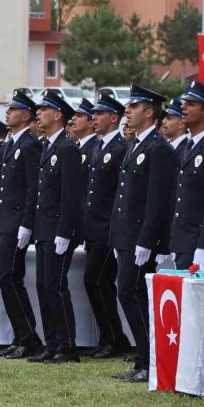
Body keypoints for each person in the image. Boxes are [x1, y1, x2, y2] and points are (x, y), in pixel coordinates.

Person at [110, 85, 176, 383]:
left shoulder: (158, 148)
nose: (127, 110)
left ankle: (149, 360)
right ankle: (143, 359)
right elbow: (123, 196)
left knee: (130, 291)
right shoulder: (136, 145)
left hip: (141, 239)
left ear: (149, 112)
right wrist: (116, 237)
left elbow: (158, 200)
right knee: (127, 291)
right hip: (126, 236)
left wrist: (148, 240)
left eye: (133, 107)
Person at [25, 89, 81, 364]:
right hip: (44, 228)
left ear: (58, 114)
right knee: (43, 287)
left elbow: (71, 195)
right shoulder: (49, 146)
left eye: (44, 109)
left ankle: (67, 346)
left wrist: (65, 232)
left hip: (58, 230)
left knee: (56, 287)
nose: (38, 113)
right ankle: (52, 343)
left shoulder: (68, 148)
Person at [0, 90, 43, 360]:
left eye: (13, 110)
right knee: (5, 279)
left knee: (10, 278)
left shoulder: (31, 144)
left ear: (26, 115)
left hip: (16, 221)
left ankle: (28, 338)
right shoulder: (10, 143)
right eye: (8, 109)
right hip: (3, 221)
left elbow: (33, 188)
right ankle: (20, 336)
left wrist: (26, 224)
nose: (7, 113)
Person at [82, 94, 130, 359]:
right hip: (94, 228)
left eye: (100, 114)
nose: (94, 119)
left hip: (107, 229)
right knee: (97, 283)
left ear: (114, 118)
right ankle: (110, 336)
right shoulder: (98, 148)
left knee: (97, 280)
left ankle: (115, 337)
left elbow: (117, 196)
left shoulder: (121, 149)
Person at [168, 81, 204, 271]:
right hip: (182, 242)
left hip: (197, 243)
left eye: (191, 104)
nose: (183, 108)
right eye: (184, 103)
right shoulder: (189, 146)